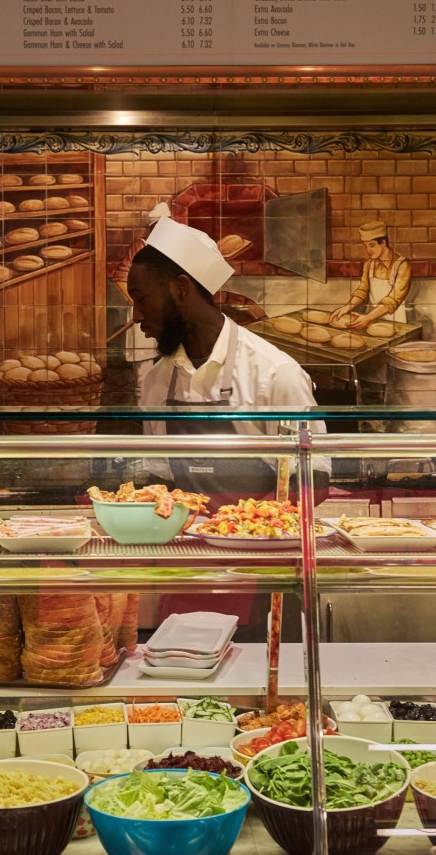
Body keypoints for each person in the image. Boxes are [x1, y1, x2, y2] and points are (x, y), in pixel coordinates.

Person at [127, 217, 329, 633]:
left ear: (181, 289)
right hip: (189, 570)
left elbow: (316, 481)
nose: (136, 316)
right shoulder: (156, 381)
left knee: (269, 689)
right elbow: (159, 481)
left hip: (267, 573)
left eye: (141, 299)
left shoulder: (274, 374)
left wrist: (242, 530)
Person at [108, 201, 171, 401]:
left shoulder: (171, 247)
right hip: (143, 314)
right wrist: (138, 302)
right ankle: (145, 416)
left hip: (164, 313)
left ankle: (158, 411)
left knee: (166, 365)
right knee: (143, 370)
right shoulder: (140, 246)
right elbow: (119, 276)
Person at [329, 220, 411, 331]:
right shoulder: (369, 264)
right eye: (365, 246)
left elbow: (393, 300)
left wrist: (368, 317)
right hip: (369, 321)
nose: (368, 250)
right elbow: (362, 291)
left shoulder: (402, 265)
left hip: (394, 322)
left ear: (383, 243)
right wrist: (346, 307)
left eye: (372, 245)